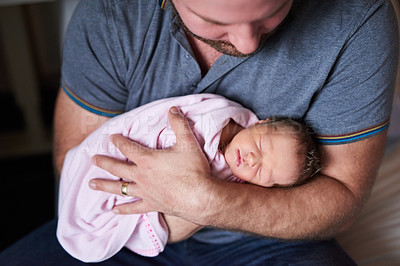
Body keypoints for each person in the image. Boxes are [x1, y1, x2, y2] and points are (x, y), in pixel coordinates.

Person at [0, 0, 398, 265]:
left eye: (272, 10)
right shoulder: (113, 13)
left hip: (268, 240)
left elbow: (341, 195)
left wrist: (206, 201)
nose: (248, 42)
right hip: (125, 225)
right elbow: (78, 154)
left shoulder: (357, 19)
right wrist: (144, 209)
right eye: (217, 21)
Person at [56, 94, 321, 262]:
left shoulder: (235, 181)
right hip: (127, 155)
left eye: (262, 172)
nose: (252, 159)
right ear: (261, 123)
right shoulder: (218, 118)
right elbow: (164, 130)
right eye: (261, 146)